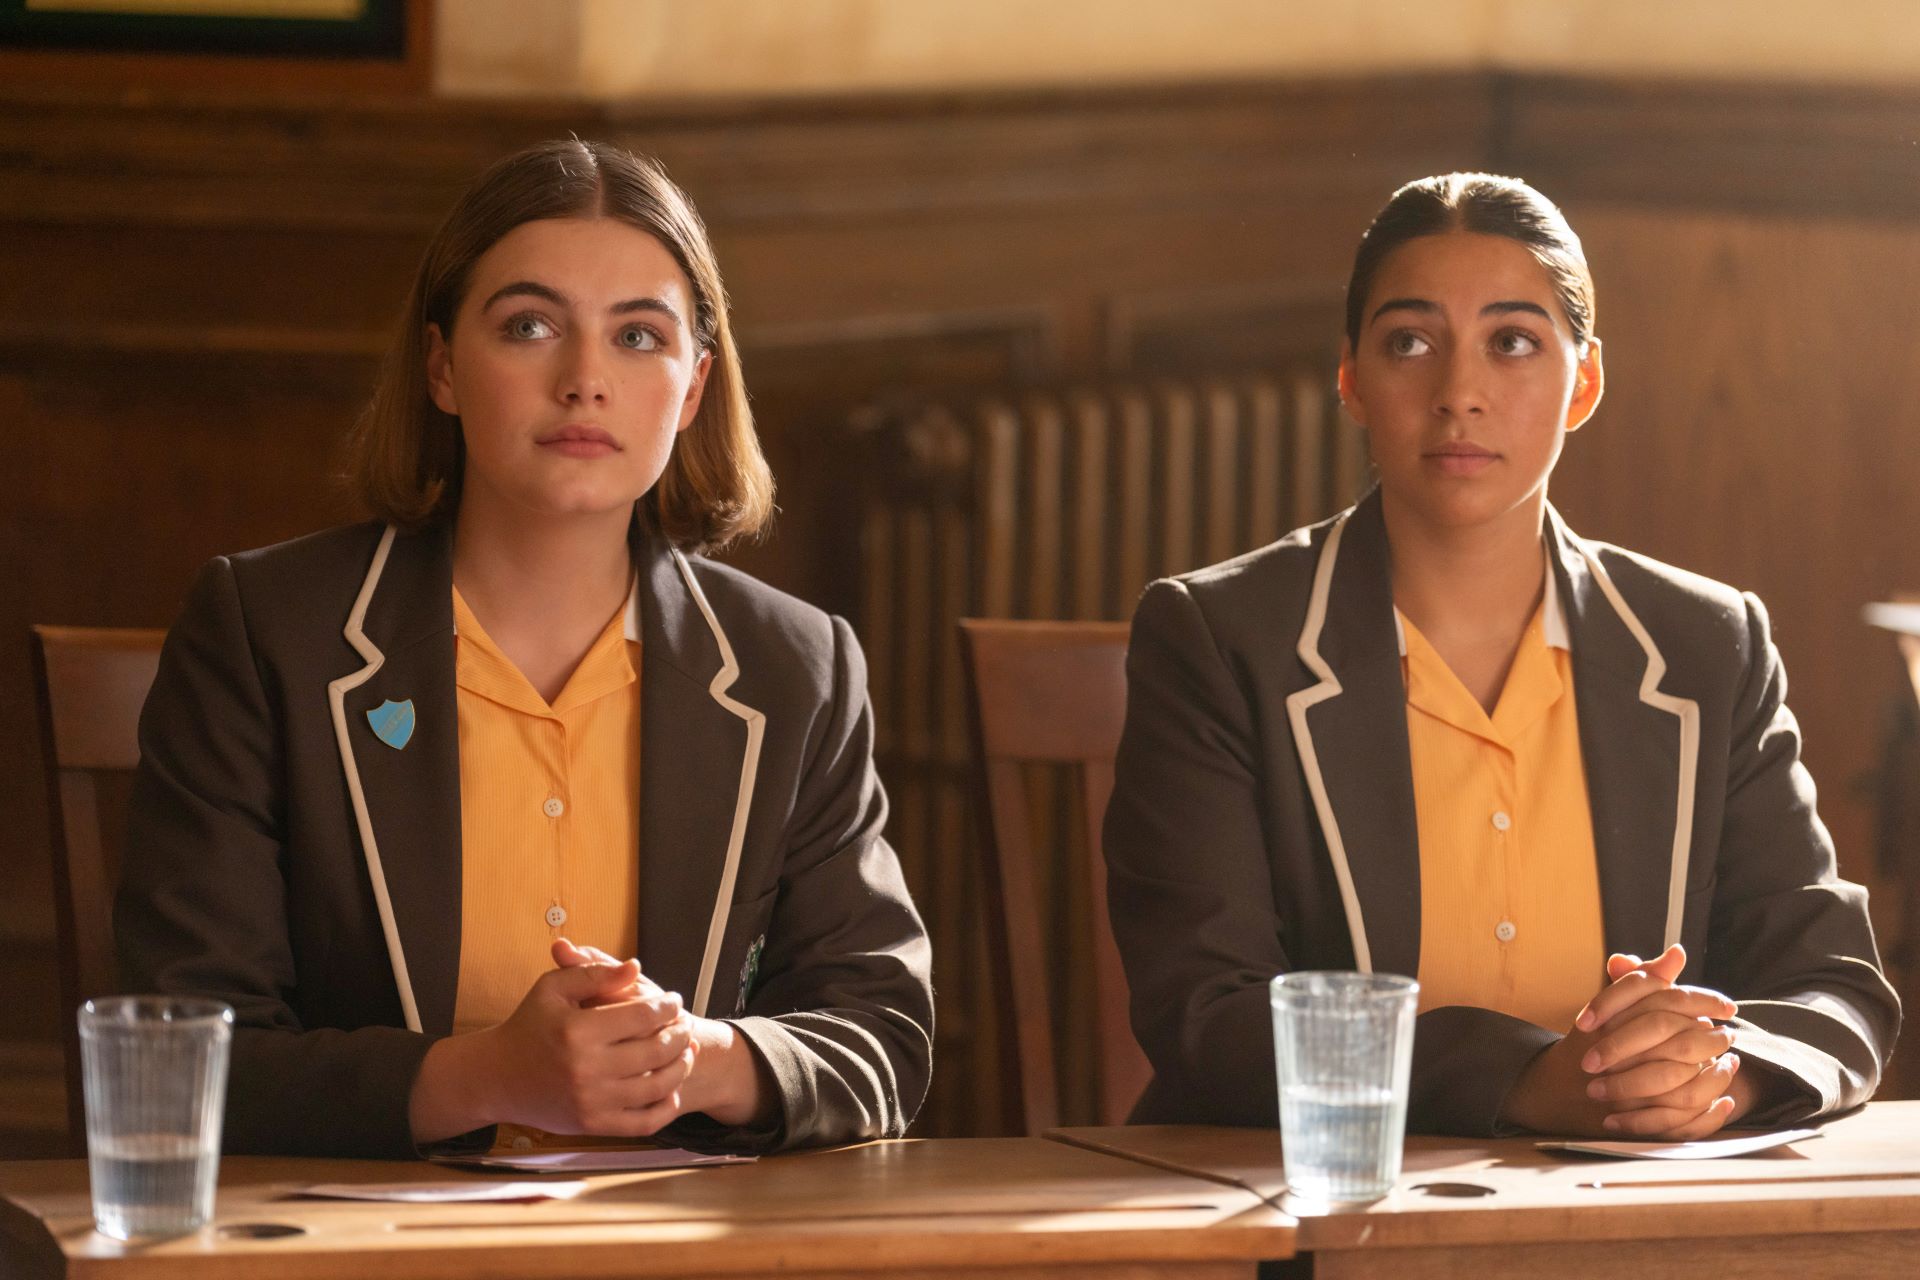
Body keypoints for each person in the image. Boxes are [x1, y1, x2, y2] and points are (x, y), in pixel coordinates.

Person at [118, 140, 934, 1158]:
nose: (584, 378)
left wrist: (699, 1053)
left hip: (686, 1245)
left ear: (692, 390)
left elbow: (881, 1036)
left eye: (639, 335)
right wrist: (488, 1075)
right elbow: (183, 1050)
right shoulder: (262, 632)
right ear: (443, 367)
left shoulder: (796, 667)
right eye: (530, 325)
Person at [1105, 172, 1899, 1139]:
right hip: (1316, 1211)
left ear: (1586, 382)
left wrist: (1711, 1078)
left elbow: (1829, 986)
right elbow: (1209, 1015)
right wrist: (1522, 1083)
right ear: (1351, 376)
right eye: (1410, 342)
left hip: (1636, 1212)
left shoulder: (1707, 644)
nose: (1460, 394)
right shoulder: (1220, 639)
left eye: (1513, 343)